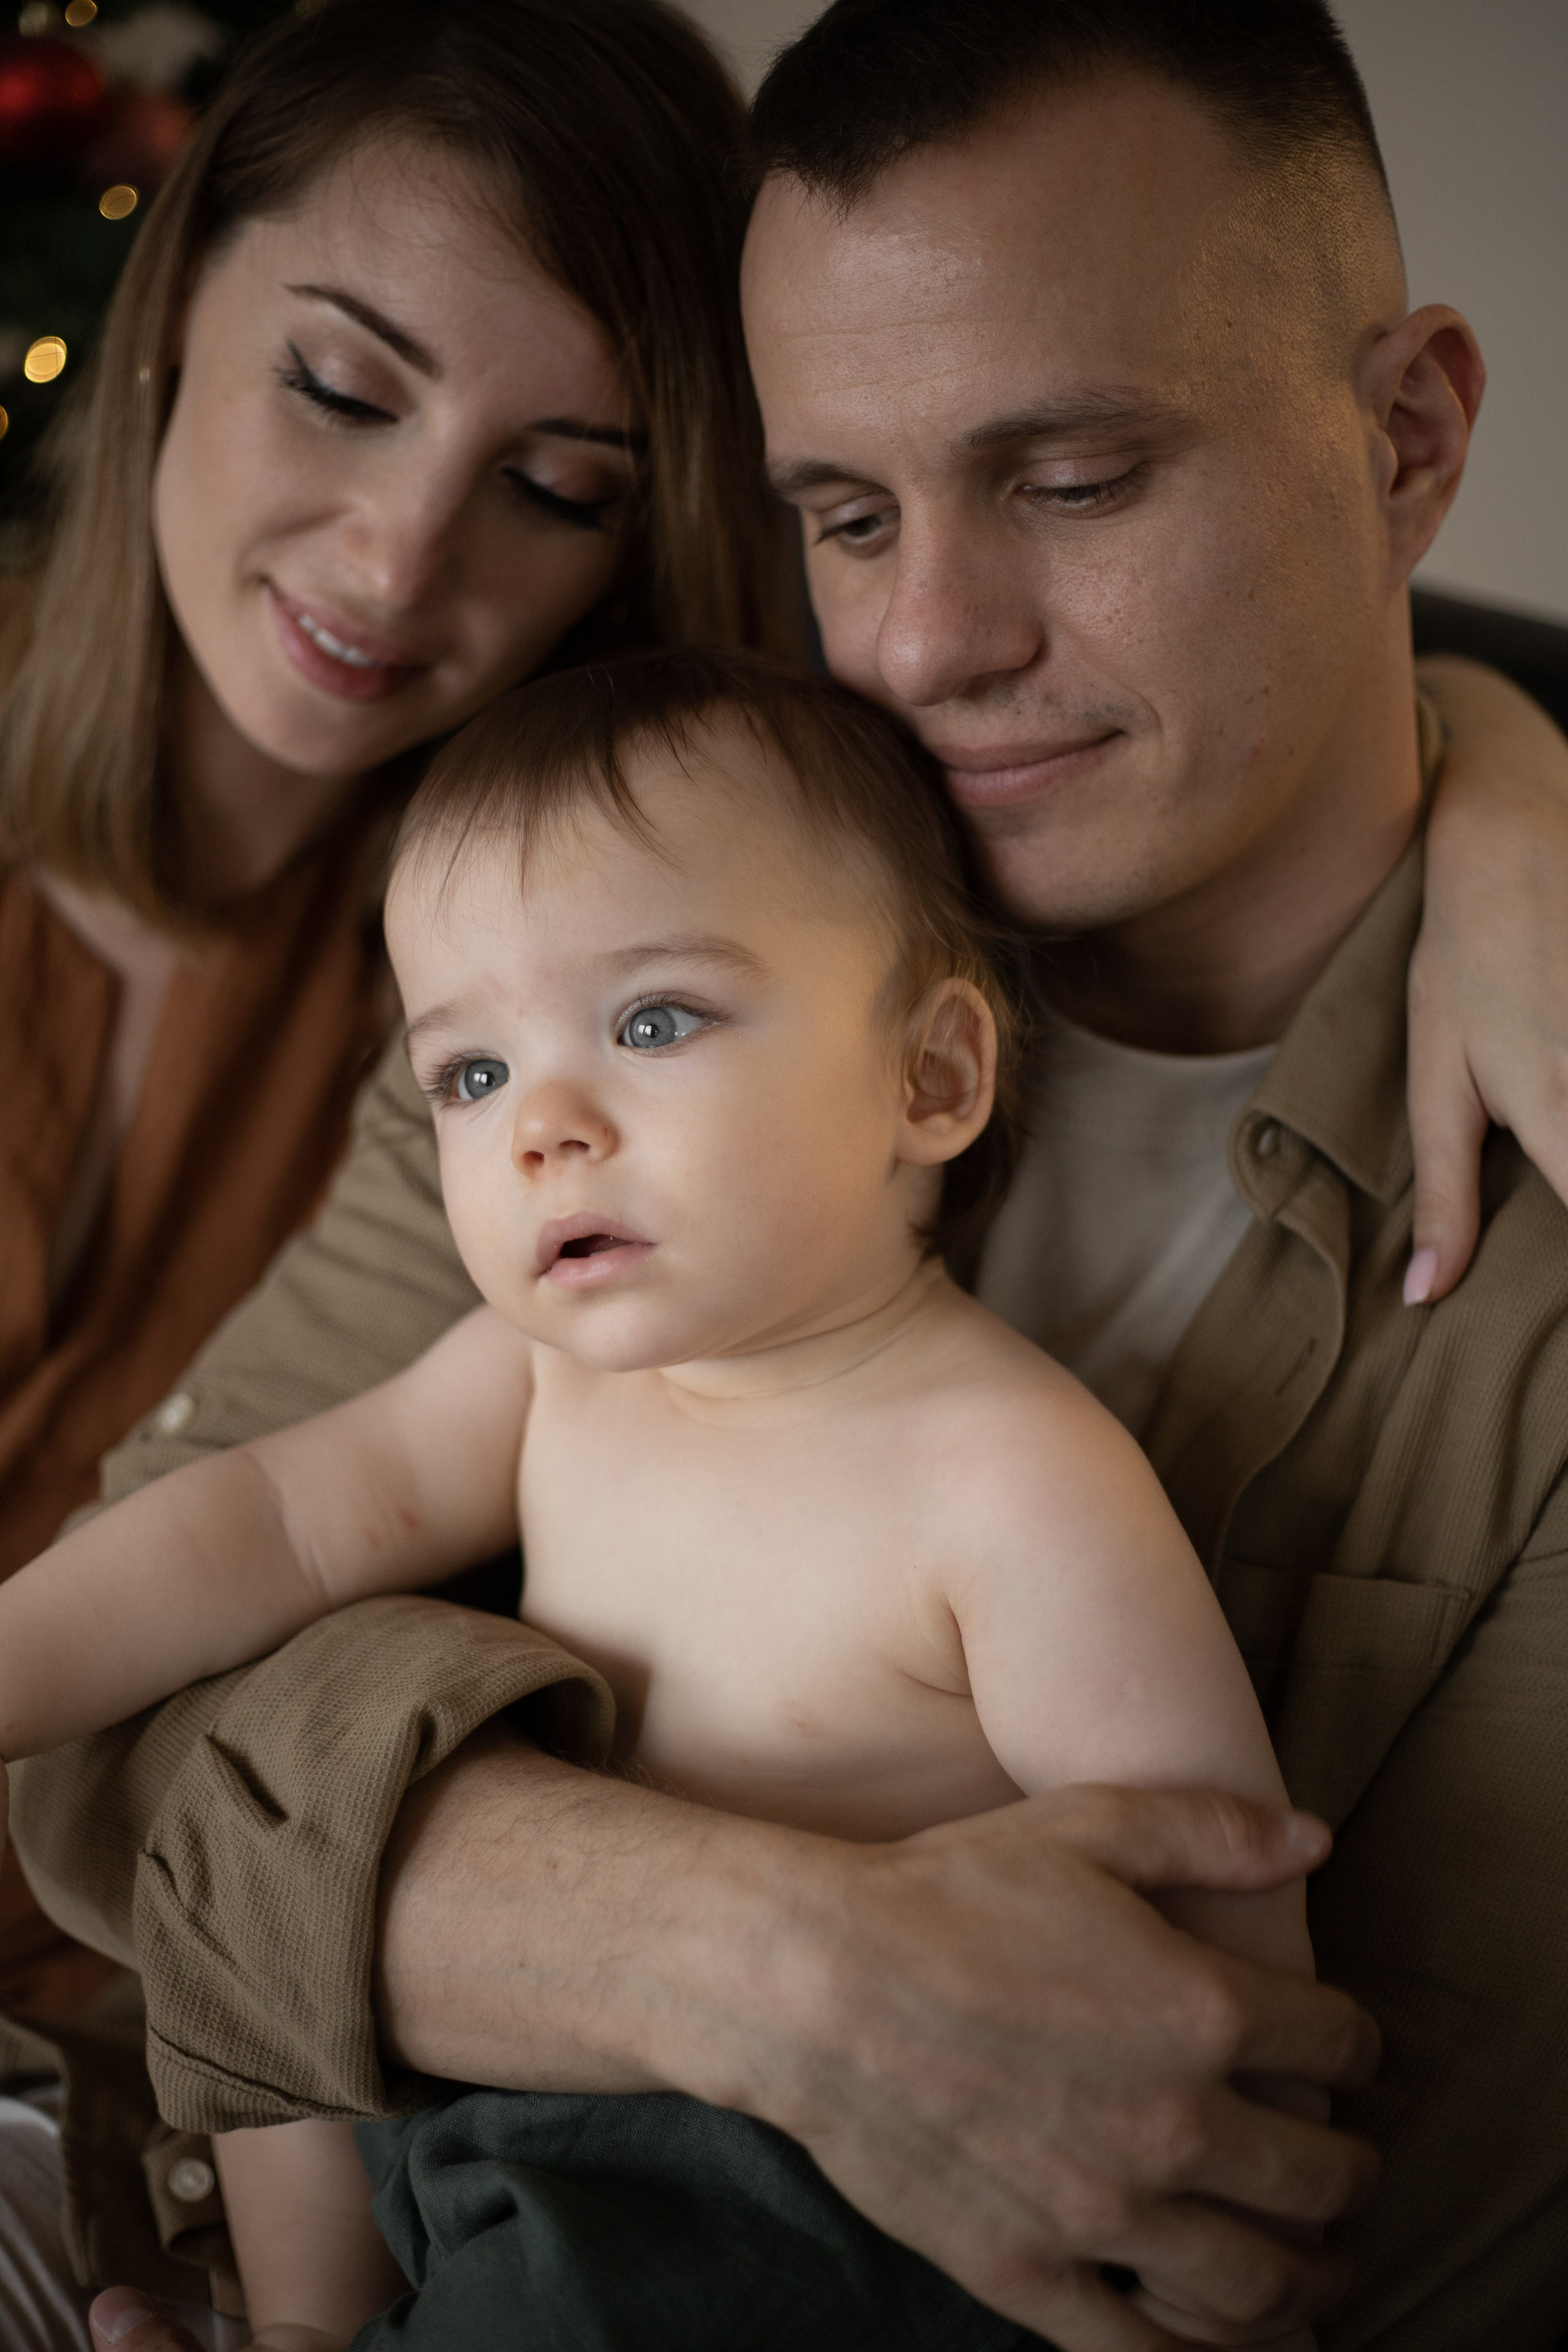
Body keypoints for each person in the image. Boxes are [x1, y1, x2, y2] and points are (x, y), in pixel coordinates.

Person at [13, 2, 1568, 2348]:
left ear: (1410, 436)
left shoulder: (1528, 1220)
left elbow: (1333, 2224)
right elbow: (131, 1756)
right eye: (846, 513)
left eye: (1072, 478)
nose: (931, 641)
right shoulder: (621, 950)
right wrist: (776, 1974)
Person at [4, 647, 1318, 2352]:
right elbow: (269, 1522)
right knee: (265, 1892)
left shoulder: (1010, 1475)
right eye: (469, 1074)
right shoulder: (548, 1373)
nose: (542, 1125)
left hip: (785, 2197)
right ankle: (303, 2324)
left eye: (654, 1020)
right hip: (498, 2060)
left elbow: (1219, 1909)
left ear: (932, 1078)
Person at [0, 0, 791, 2332]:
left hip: (144, 2097)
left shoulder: (561, 1008)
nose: (398, 544)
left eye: (558, 483)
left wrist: (1492, 778)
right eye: (342, 386)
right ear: (170, 318)